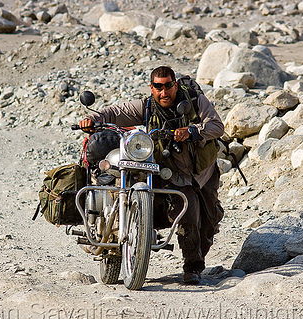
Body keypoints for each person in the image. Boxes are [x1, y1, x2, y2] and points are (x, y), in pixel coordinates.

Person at [78, 66, 224, 284]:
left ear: (175, 85)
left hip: (203, 171)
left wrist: (193, 131)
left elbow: (216, 126)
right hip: (174, 174)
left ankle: (197, 260)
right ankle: (192, 267)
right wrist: (91, 118)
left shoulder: (195, 101)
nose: (164, 92)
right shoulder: (147, 107)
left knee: (209, 223)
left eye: (168, 86)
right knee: (187, 216)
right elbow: (116, 113)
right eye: (158, 87)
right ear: (152, 88)